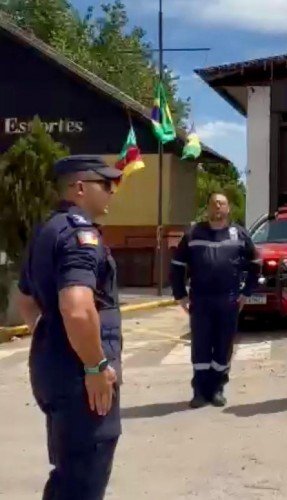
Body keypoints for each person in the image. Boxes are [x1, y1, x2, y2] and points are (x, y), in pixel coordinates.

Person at [15, 155, 123, 499]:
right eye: (106, 185)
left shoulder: (49, 229)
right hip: (81, 377)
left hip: (54, 368)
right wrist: (95, 366)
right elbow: (77, 309)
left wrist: (51, 339)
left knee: (68, 472)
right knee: (82, 480)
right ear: (80, 188)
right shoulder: (80, 234)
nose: (111, 192)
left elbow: (26, 298)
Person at [170, 193, 260, 408]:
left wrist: (246, 292)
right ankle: (200, 391)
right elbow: (177, 265)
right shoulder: (193, 233)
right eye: (213, 203)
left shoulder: (239, 234)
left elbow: (255, 262)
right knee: (200, 346)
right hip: (200, 300)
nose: (217, 207)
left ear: (228, 209)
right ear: (208, 209)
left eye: (222, 203)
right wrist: (180, 294)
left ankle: (218, 388)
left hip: (228, 300)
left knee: (223, 346)